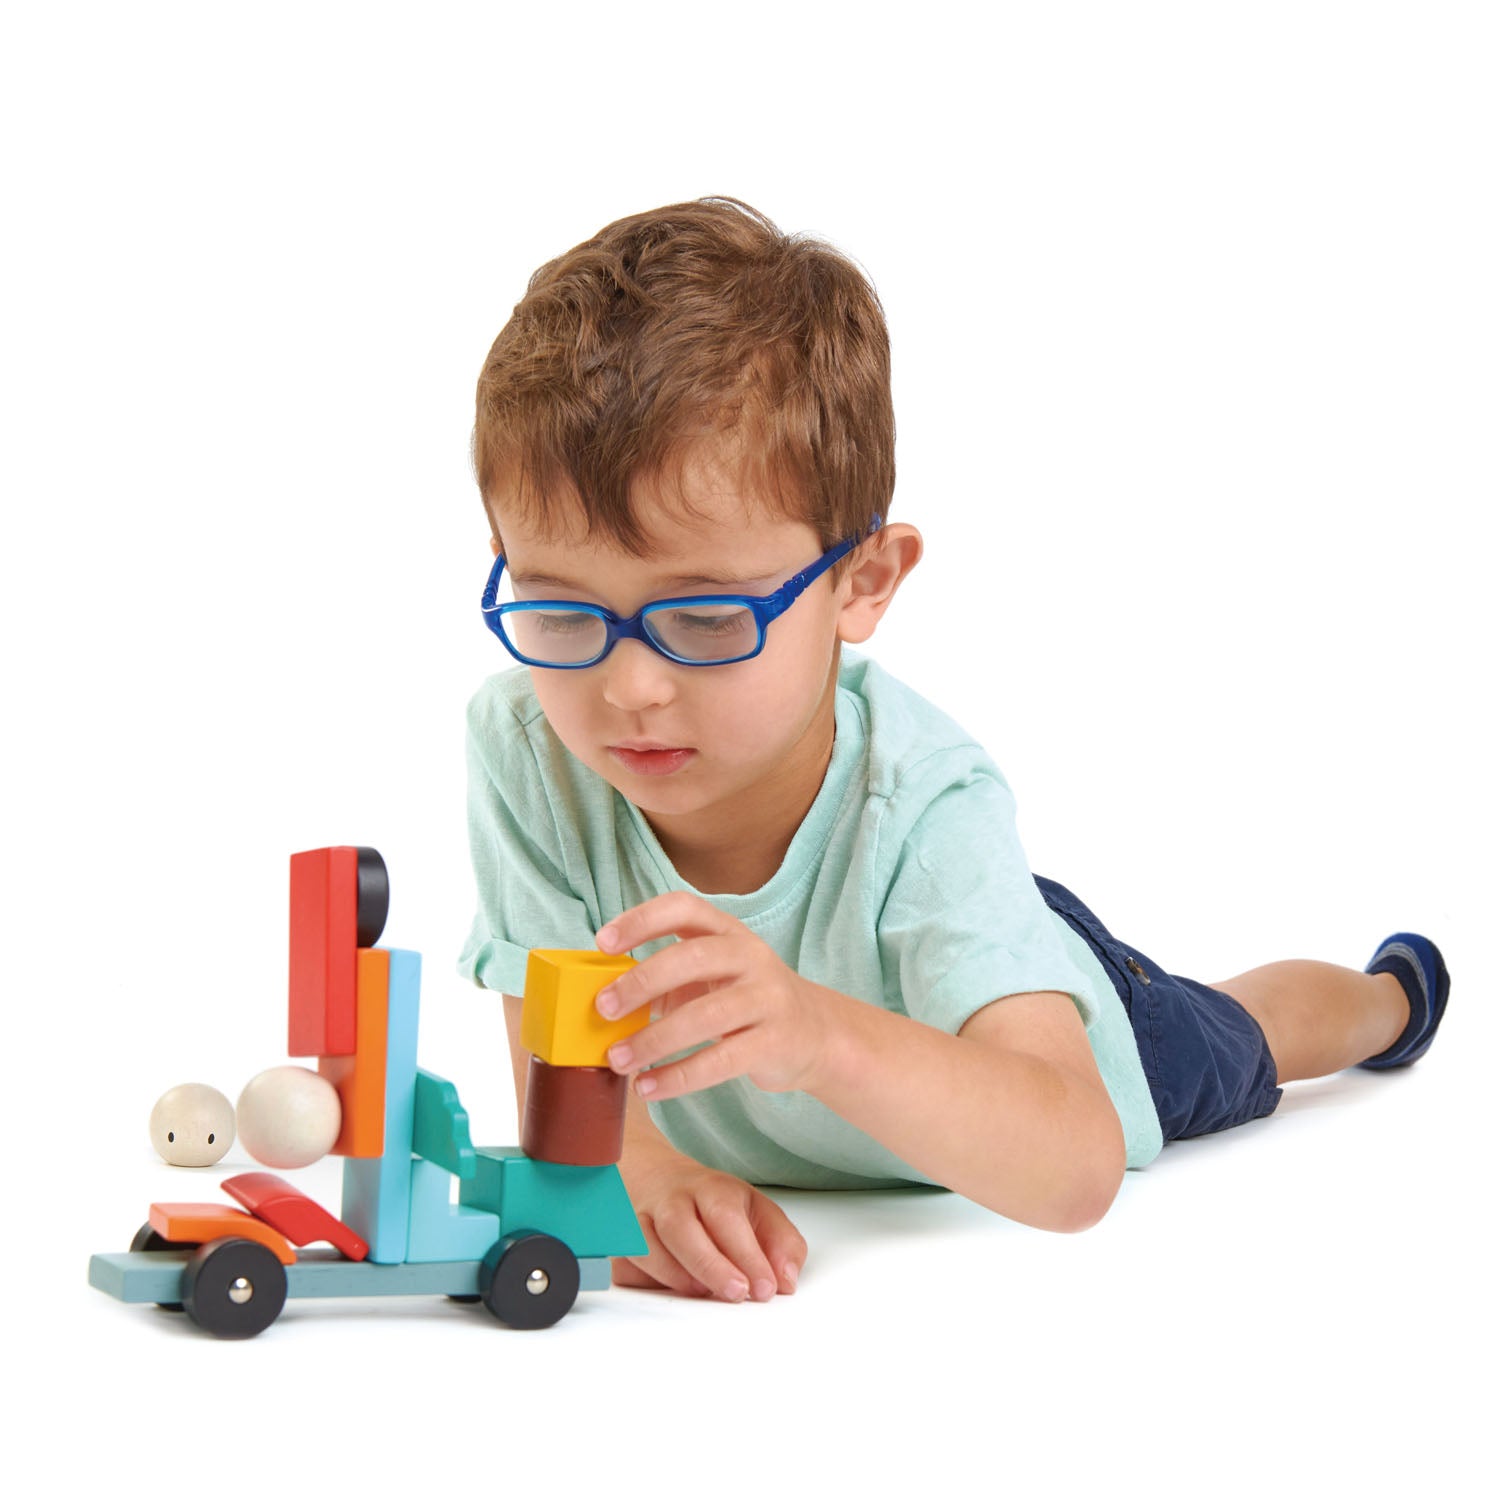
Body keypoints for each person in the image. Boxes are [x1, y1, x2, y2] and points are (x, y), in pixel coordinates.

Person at [457, 197, 1449, 1305]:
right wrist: (640, 1168)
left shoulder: (928, 807)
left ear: (863, 582)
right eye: (561, 613)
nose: (628, 688)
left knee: (1241, 1028)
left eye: (704, 617)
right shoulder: (526, 749)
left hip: (1072, 1024)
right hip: (929, 960)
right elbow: (562, 1069)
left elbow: (1074, 1165)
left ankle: (1392, 999)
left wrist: (817, 1033)